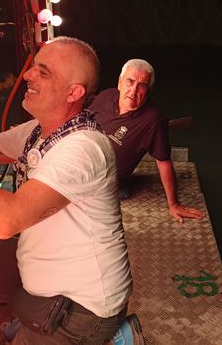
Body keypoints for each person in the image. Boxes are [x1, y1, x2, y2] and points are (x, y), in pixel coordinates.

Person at [0, 37, 132, 344]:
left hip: (82, 309)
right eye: (33, 67)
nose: (27, 75)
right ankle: (19, 318)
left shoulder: (84, 148)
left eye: (43, 72)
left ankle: (107, 335)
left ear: (73, 92)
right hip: (42, 263)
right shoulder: (38, 131)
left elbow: (6, 220)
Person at [88, 58, 206, 223]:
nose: (133, 90)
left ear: (148, 91)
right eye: (130, 81)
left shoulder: (153, 120)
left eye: (142, 86)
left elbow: (163, 162)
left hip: (107, 184)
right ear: (120, 82)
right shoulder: (105, 96)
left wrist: (174, 204)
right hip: (82, 165)